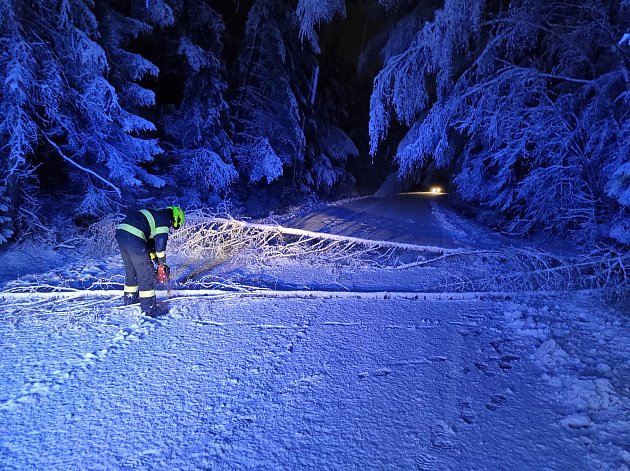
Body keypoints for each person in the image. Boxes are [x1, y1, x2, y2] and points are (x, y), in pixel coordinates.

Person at [115, 206, 185, 317]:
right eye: (172, 226)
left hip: (122, 234)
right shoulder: (165, 219)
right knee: (146, 273)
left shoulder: (156, 216)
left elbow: (150, 246)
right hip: (134, 237)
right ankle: (149, 308)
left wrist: (157, 261)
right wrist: (162, 264)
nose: (171, 227)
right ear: (176, 218)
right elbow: (160, 245)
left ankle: (130, 299)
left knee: (131, 270)